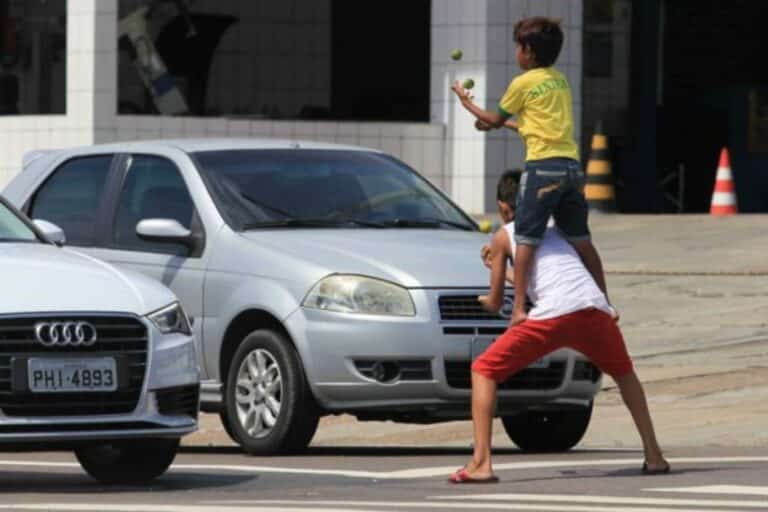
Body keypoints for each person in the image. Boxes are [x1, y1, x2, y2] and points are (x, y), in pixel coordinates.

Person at [449, 170, 669, 484]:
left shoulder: (503, 235)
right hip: (591, 307)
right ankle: (654, 454)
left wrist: (491, 275)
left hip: (552, 315)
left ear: (502, 207)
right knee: (625, 374)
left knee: (484, 370)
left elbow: (496, 303)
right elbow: (555, 274)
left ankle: (481, 463)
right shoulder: (558, 228)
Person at [450, 16, 609, 330]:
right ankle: (605, 301)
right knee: (581, 239)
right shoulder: (559, 81)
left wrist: (464, 100)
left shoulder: (522, 83)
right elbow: (530, 126)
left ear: (530, 52)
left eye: (518, 48)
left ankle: (518, 308)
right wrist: (495, 123)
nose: (516, 53)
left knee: (524, 240)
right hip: (571, 169)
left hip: (542, 169)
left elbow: (494, 118)